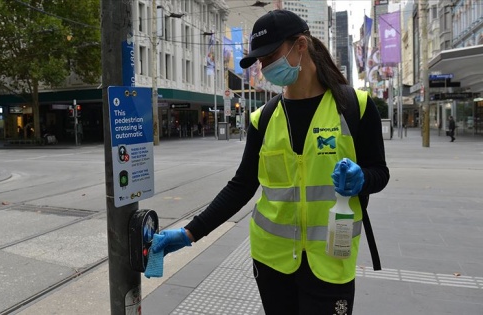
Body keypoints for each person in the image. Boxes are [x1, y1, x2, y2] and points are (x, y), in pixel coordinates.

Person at [152, 10, 389, 315]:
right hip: (272, 262)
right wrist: (188, 233)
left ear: (300, 45)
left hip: (332, 258)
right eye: (259, 61)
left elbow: (380, 172)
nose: (263, 67)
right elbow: (241, 186)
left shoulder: (355, 106)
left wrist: (363, 179)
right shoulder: (264, 119)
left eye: (269, 56)